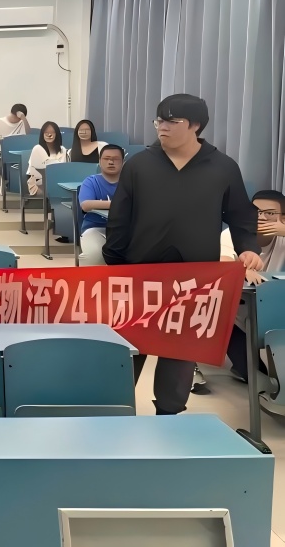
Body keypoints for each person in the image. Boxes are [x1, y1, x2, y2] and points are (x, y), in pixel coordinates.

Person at [104, 94, 261, 415]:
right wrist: (116, 264)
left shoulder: (223, 167)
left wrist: (247, 249)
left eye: (171, 121)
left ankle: (170, 416)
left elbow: (241, 216)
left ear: (195, 126)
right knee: (128, 350)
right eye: (158, 120)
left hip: (194, 280)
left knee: (179, 353)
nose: (161, 127)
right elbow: (119, 219)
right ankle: (113, 412)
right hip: (140, 275)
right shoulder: (140, 165)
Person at [219, 190, 285, 380]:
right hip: (234, 318)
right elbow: (222, 261)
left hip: (272, 317)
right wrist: (240, 270)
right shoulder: (233, 235)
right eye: (256, 211)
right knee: (253, 375)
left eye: (270, 213)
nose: (261, 217)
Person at [77, 145, 124, 266]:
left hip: (125, 230)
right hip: (96, 228)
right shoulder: (91, 181)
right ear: (99, 161)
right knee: (94, 255)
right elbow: (86, 205)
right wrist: (118, 204)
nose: (111, 162)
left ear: (123, 162)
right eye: (106, 158)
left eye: (116, 159)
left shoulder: (130, 182)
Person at [26, 122, 68, 195]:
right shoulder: (37, 148)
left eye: (52, 132)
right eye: (46, 132)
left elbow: (64, 168)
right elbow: (37, 173)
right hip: (39, 184)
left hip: (58, 182)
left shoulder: (63, 149)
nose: (49, 135)